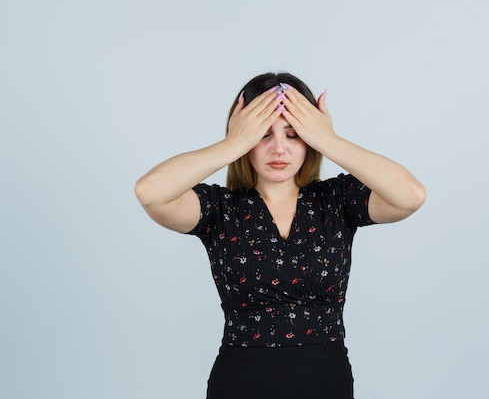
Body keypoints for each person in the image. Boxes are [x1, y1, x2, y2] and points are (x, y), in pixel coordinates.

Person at [134, 72, 426, 399]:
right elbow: (150, 191)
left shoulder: (337, 200)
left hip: (327, 382)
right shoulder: (220, 209)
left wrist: (330, 140)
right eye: (262, 135)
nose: (278, 149)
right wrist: (230, 145)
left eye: (293, 134)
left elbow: (411, 196)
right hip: (241, 382)